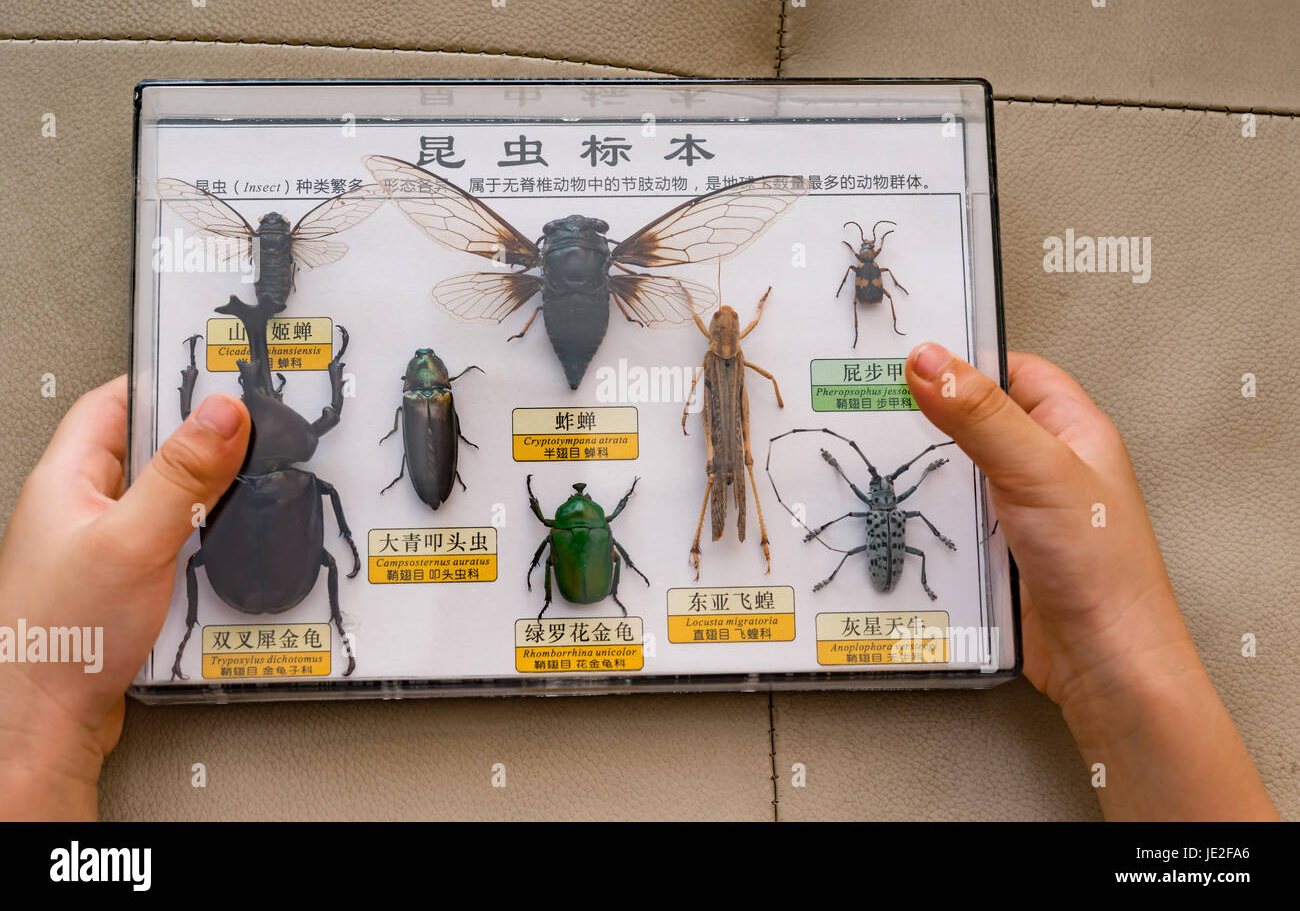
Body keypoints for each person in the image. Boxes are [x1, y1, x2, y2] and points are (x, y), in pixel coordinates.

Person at [0, 346, 1278, 821]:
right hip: (504, 554)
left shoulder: (507, 479)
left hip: (532, 552)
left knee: (742, 487)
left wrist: (39, 722)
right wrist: (1117, 651)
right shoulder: (373, 460)